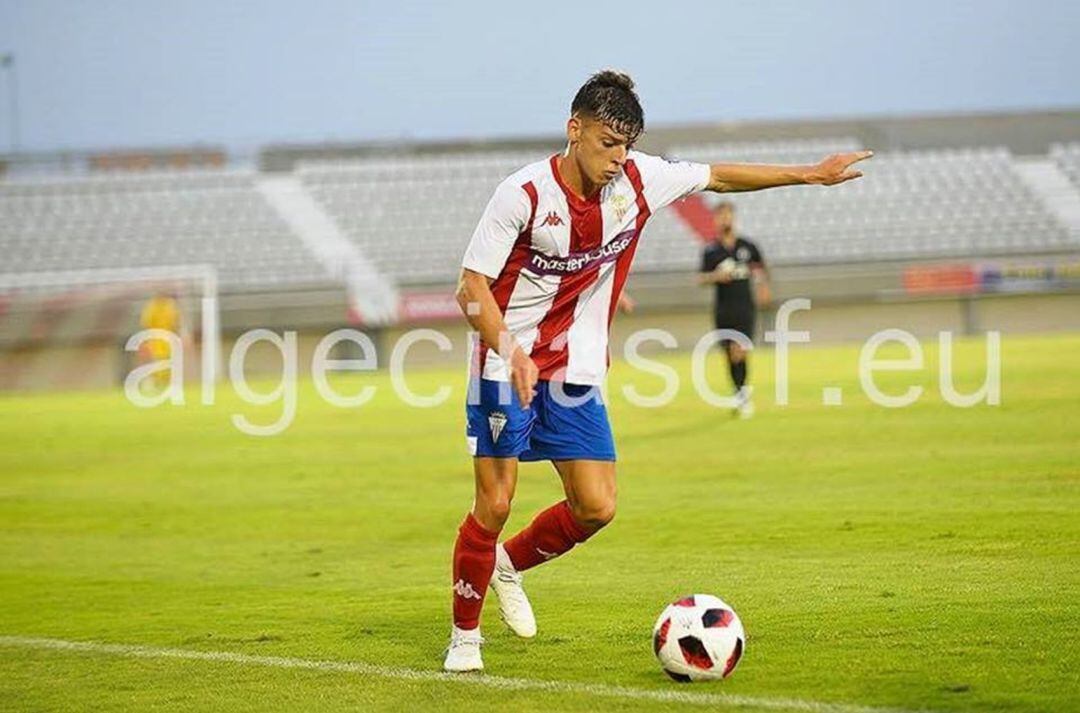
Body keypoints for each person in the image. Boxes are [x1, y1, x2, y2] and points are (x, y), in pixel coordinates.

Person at [447, 69, 871, 672]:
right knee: (494, 503)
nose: (619, 159)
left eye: (627, 146)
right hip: (503, 361)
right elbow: (469, 288)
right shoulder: (522, 194)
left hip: (575, 366)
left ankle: (506, 565)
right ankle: (465, 640)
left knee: (596, 507)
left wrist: (809, 174)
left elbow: (719, 174)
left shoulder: (638, 180)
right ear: (574, 131)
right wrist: (509, 349)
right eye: (606, 144)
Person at [698, 201, 771, 418]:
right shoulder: (711, 251)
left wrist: (763, 288)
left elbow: (760, 270)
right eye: (721, 216)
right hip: (723, 308)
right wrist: (716, 276)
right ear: (716, 220)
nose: (725, 219)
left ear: (734, 217)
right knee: (729, 354)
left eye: (728, 215)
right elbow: (701, 277)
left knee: (740, 350)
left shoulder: (748, 246)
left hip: (745, 306)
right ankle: (739, 393)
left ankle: (742, 396)